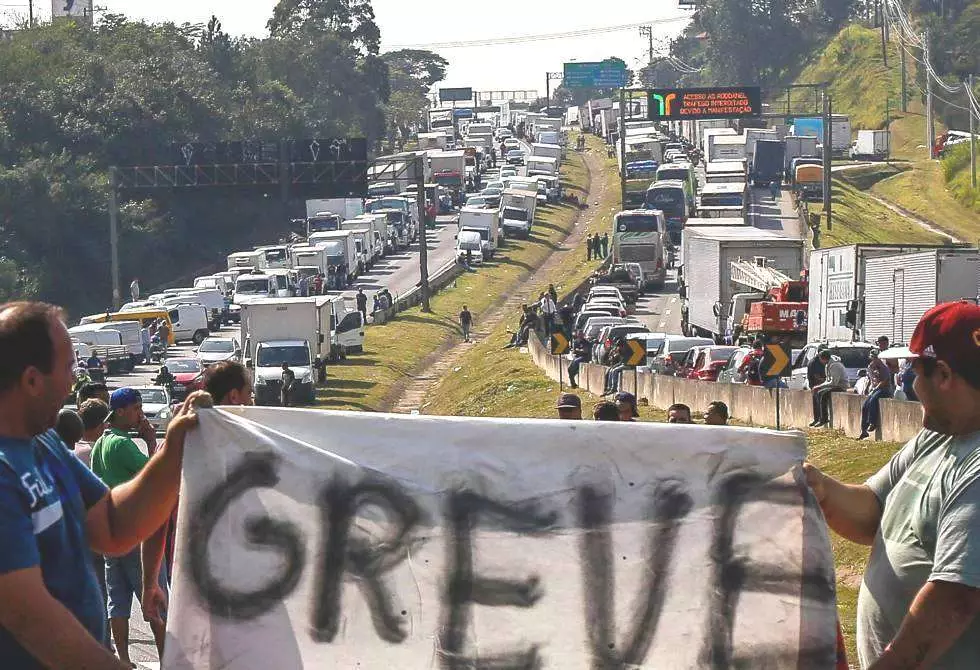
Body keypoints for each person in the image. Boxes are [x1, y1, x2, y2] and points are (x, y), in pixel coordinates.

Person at [804, 302, 980, 669]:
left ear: (944, 374)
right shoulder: (939, 436)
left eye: (916, 371)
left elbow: (954, 598)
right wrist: (819, 487)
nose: (913, 385)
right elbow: (873, 510)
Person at [90, 387, 168, 665]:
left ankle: (123, 659)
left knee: (118, 601)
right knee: (156, 600)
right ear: (120, 411)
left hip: (113, 535)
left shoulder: (101, 442)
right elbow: (155, 476)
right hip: (136, 534)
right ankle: (166, 659)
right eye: (136, 408)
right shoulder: (122, 444)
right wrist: (150, 440)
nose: (140, 413)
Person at [860, 347, 894, 440]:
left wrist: (875, 388)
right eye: (873, 358)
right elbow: (870, 379)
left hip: (884, 389)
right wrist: (867, 388)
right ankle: (863, 430)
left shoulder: (884, 368)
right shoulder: (870, 367)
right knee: (865, 406)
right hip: (875, 388)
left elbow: (885, 381)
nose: (874, 360)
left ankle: (872, 422)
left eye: (876, 358)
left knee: (873, 400)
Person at [810, 349, 847, 427]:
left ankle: (824, 418)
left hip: (840, 386)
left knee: (822, 394)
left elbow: (834, 382)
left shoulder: (835, 365)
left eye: (820, 358)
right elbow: (828, 380)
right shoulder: (827, 365)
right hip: (834, 385)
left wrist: (819, 386)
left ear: (823, 358)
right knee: (817, 393)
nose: (819, 361)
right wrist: (818, 387)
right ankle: (818, 418)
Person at [75, 399, 108, 468]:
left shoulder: (71, 448)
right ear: (100, 426)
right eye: (106, 422)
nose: (108, 425)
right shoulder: (97, 453)